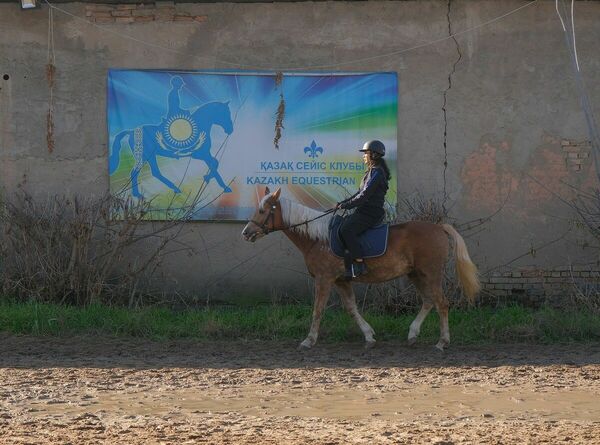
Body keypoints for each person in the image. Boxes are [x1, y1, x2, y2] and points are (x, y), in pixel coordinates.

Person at [336, 140, 391, 279]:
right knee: (341, 225)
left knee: (346, 229)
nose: (363, 156)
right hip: (364, 211)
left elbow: (364, 196)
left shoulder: (377, 174)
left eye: (365, 153)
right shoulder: (371, 172)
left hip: (371, 213)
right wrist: (342, 203)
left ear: (373, 155)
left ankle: (360, 264)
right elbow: (359, 193)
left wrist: (347, 205)